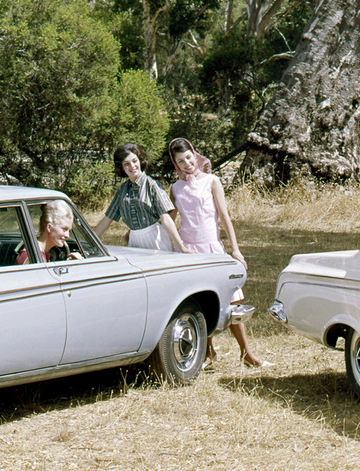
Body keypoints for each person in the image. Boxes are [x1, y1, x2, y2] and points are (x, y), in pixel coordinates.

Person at [168, 137, 269, 368]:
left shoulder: (212, 181)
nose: (187, 164)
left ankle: (246, 353)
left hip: (212, 248)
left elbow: (224, 216)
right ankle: (208, 352)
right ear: (175, 164)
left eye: (189, 158)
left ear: (195, 155)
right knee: (199, 301)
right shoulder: (175, 188)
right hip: (188, 251)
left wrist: (235, 249)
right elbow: (170, 220)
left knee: (231, 300)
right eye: (180, 161)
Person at [94, 143, 188, 252]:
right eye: (127, 164)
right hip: (134, 240)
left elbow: (165, 219)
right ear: (122, 167)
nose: (132, 166)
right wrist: (88, 243)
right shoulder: (122, 190)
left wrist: (181, 247)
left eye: (134, 161)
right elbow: (107, 219)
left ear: (140, 161)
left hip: (155, 239)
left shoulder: (152, 185)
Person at [16, 199, 85, 264]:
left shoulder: (40, 253)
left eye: (69, 231)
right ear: (49, 227)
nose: (67, 235)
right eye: (64, 229)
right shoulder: (31, 257)